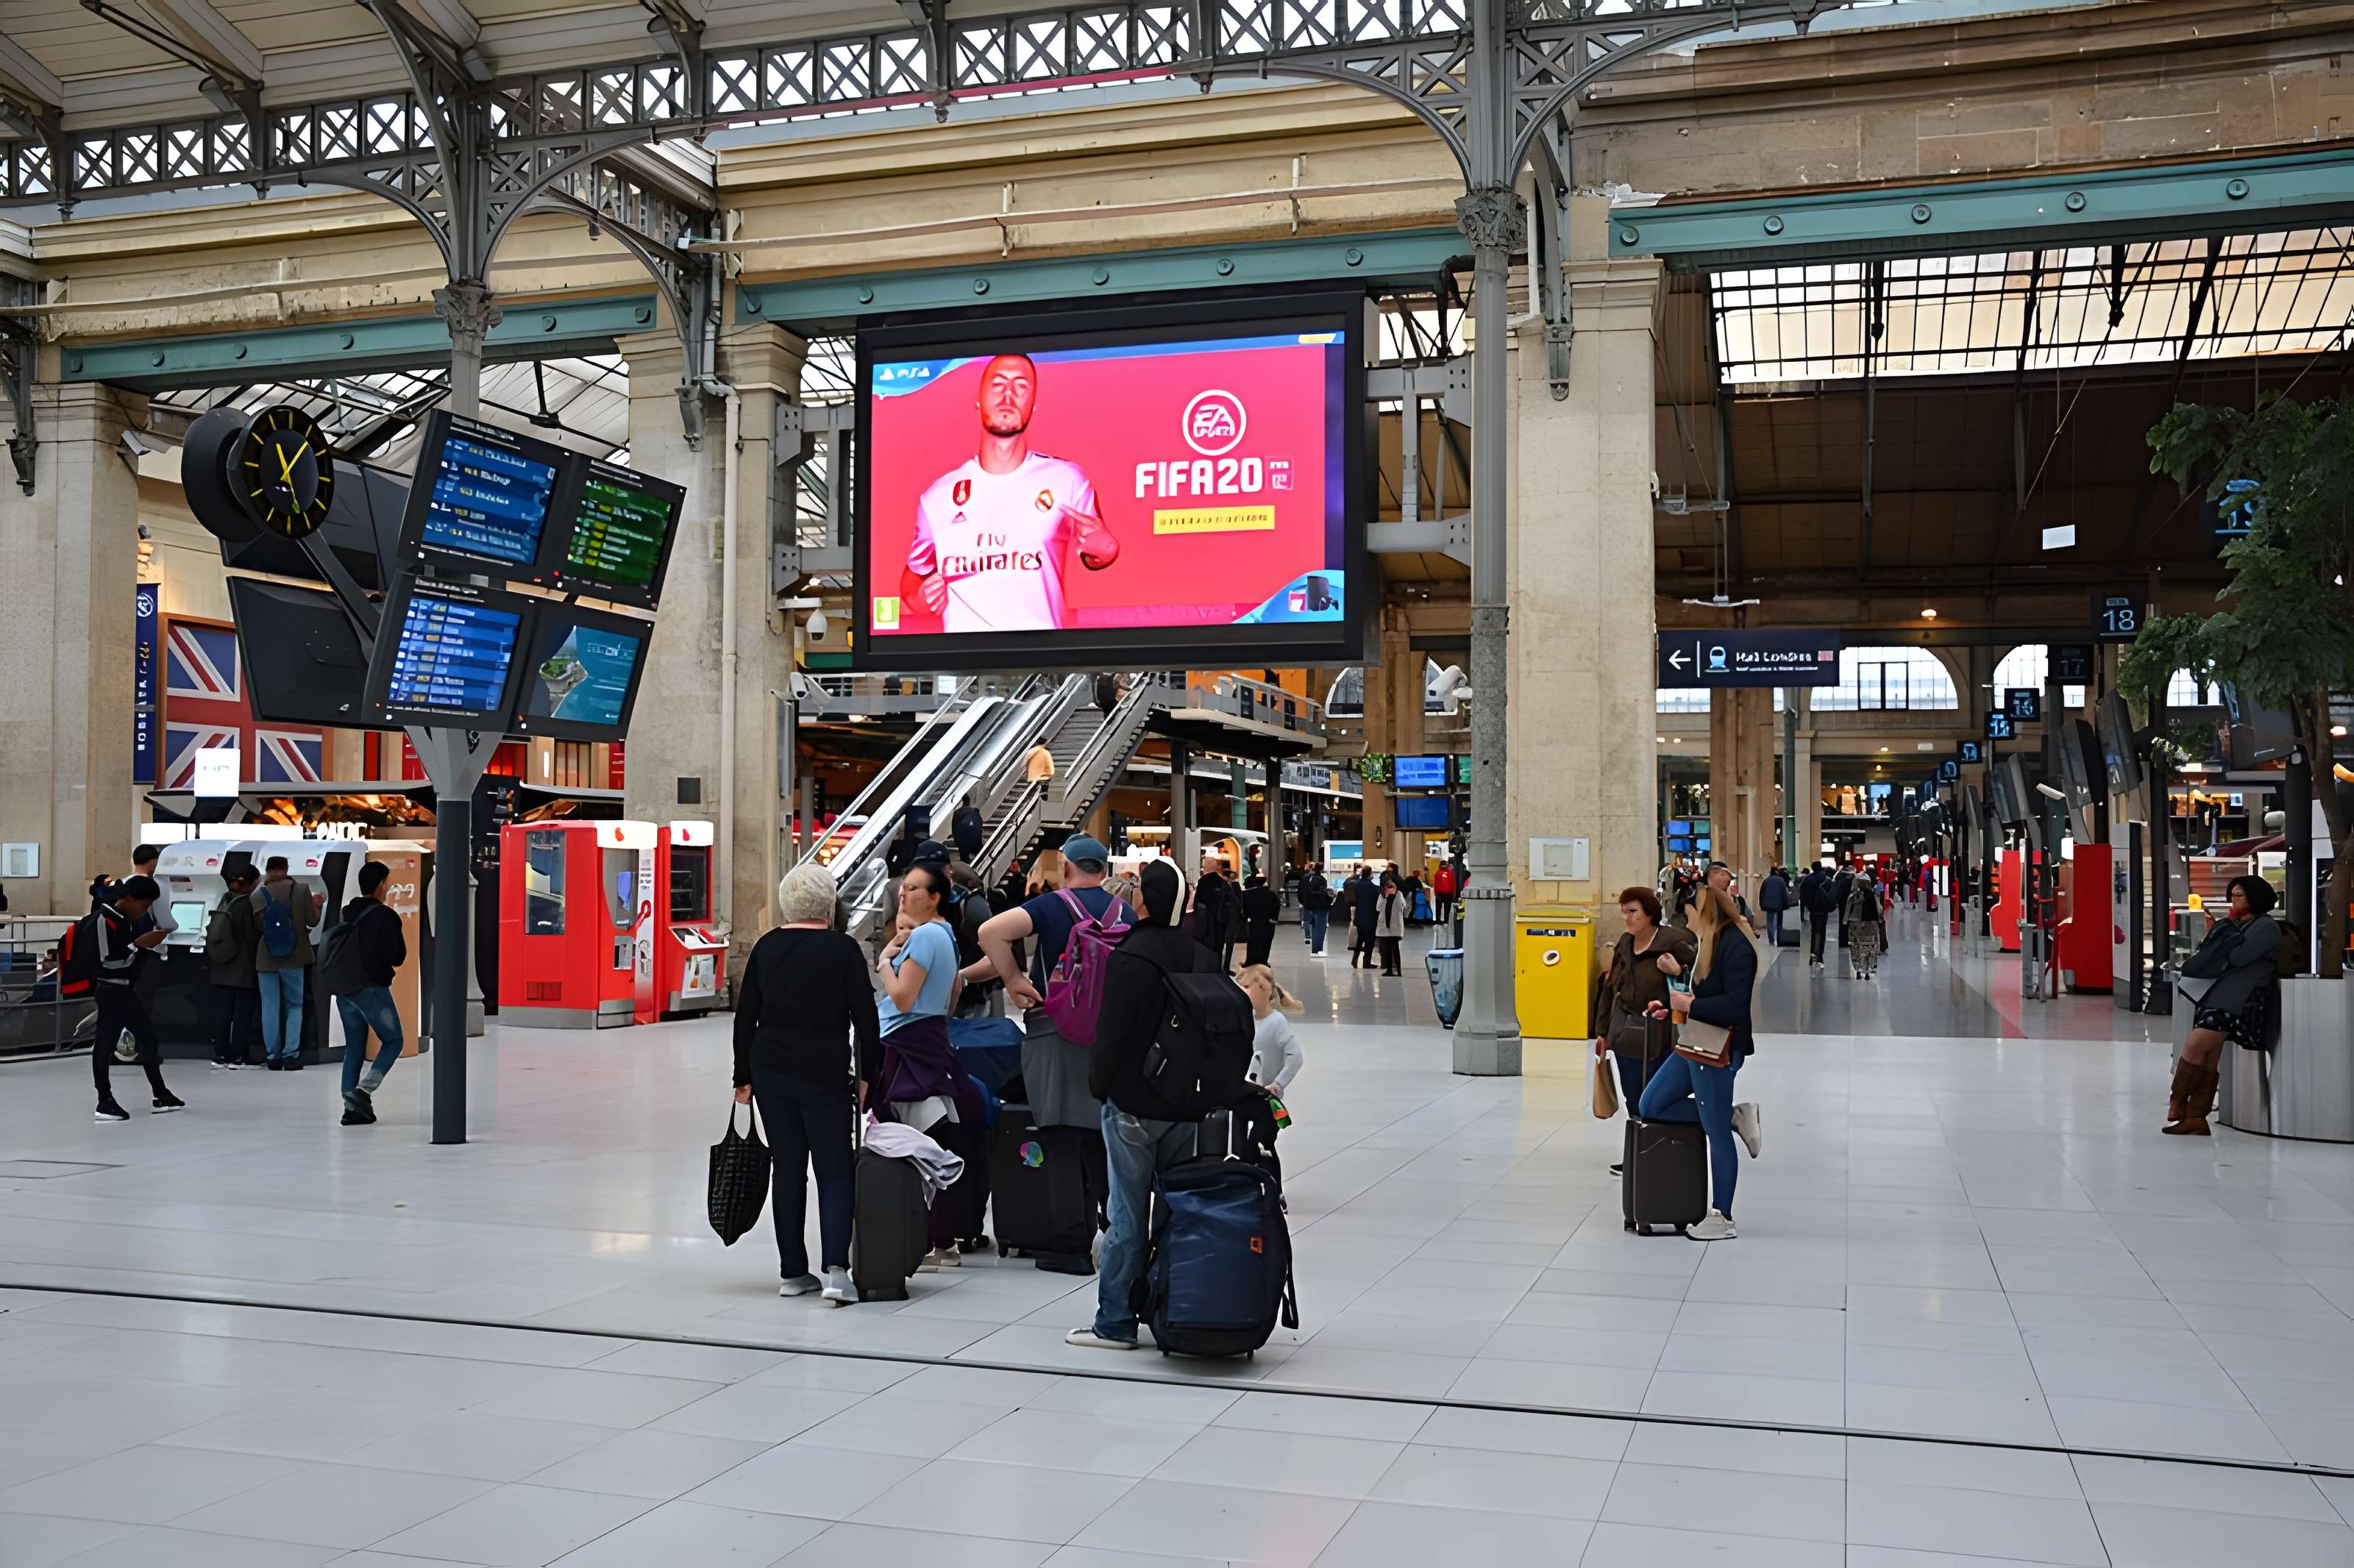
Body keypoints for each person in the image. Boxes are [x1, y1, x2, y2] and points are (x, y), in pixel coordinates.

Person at [1067, 859, 1209, 1351]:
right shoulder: (1199, 954)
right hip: (1186, 1106)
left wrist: (1100, 1085)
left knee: (1128, 1215)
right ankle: (1178, 1305)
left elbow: (1113, 1034)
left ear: (1146, 899)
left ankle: (1116, 1321)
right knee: (1177, 1209)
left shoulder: (1132, 955)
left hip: (1132, 1104)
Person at [971, 833, 1128, 1265]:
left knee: (1060, 1137)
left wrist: (1013, 980)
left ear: (1066, 866)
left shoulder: (1053, 905)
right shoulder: (1124, 911)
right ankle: (1116, 1235)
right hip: (1108, 1039)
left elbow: (991, 932)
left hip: (1054, 1030)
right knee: (1100, 1137)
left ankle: (1069, 1244)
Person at [736, 863, 879, 1303]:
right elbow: (866, 1020)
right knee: (834, 1170)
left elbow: (746, 1017)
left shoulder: (766, 948)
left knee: (789, 1168)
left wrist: (742, 1076)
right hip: (825, 1070)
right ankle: (837, 1272)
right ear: (829, 902)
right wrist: (869, 1074)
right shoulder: (844, 950)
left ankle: (792, 1272)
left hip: (771, 1070)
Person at [900, 353, 1123, 633]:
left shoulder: (1066, 479)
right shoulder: (937, 496)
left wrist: (1106, 548)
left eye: (1021, 386)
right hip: (963, 653)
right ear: (978, 403)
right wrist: (921, 600)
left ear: (1034, 405)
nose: (1008, 396)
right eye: (998, 384)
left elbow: (1099, 552)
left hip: (1046, 650)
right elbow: (912, 578)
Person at [1640, 884, 1763, 1241]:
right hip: (1696, 1041)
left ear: (1703, 912)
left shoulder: (1736, 946)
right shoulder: (1710, 945)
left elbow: (1736, 1007)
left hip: (1719, 1048)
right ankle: (1732, 1115)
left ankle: (1722, 1216)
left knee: (1716, 1135)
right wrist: (1674, 1008)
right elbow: (1706, 995)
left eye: (1688, 913)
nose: (1684, 921)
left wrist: (1689, 1006)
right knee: (1653, 1103)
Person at [873, 863, 974, 1268]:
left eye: (913, 888)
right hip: (926, 1040)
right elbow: (950, 998)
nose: (903, 894)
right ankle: (939, 1236)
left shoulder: (927, 936)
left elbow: (901, 998)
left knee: (911, 1142)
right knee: (929, 1138)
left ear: (936, 896)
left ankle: (936, 1236)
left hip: (905, 1044)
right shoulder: (945, 935)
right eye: (902, 888)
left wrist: (883, 962)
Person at [2166, 874, 2280, 1137]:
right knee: (2209, 1057)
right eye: (2232, 895)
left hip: (2236, 1000)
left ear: (2255, 898)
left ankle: (2178, 1101)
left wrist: (2225, 939)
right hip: (2216, 995)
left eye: (2239, 895)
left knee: (2195, 1045)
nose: (2233, 900)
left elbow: (2237, 957)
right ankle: (2196, 1117)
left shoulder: (2265, 927)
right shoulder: (2234, 925)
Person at [1593, 885, 1698, 1169]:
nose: (1627, 918)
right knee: (1634, 1097)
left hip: (1661, 1033)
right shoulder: (1625, 943)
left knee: (1658, 1096)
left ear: (1650, 913)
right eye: (1624, 912)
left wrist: (1677, 970)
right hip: (1627, 1031)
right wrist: (1602, 1032)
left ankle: (1664, 1152)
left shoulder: (1673, 940)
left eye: (1633, 912)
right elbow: (1611, 987)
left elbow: (1697, 977)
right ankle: (1639, 1157)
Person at [69, 875, 182, 1121]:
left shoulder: (120, 920)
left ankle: (159, 1093)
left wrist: (137, 946)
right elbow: (105, 961)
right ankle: (105, 1101)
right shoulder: (104, 919)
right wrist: (138, 946)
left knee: (142, 1038)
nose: (144, 911)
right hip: (111, 990)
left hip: (121, 990)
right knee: (108, 1042)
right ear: (129, 899)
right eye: (144, 905)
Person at [327, 863, 409, 1125]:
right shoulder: (385, 916)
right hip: (371, 989)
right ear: (381, 884)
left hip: (344, 990)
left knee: (354, 1045)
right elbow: (397, 956)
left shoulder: (348, 912)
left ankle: (351, 1107)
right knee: (394, 1040)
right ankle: (364, 1091)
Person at [205, 866, 263, 1069]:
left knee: (223, 1013)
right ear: (254, 881)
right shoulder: (246, 905)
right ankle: (240, 1055)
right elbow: (251, 936)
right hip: (242, 968)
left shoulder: (225, 900)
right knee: (242, 1014)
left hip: (221, 965)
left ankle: (221, 1055)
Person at [1237, 963, 1304, 1098]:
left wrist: (1278, 1085)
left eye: (1247, 987)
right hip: (1241, 1093)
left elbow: (1296, 1056)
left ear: (1264, 990)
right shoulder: (1243, 1020)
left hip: (1264, 1096)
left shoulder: (1277, 1022)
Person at [1190, 855, 1235, 974]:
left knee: (1206, 947)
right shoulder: (1223, 882)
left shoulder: (1203, 881)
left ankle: (1207, 970)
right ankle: (1218, 969)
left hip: (1206, 920)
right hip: (1220, 920)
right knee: (1218, 947)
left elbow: (1198, 902)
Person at [1845, 866, 1887, 980]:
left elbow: (1848, 910)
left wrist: (1845, 922)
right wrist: (1880, 921)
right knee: (1870, 948)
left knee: (1856, 948)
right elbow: (1879, 910)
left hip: (1856, 924)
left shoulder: (1854, 896)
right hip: (1871, 925)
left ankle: (1858, 970)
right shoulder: (1874, 895)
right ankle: (1868, 969)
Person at [1797, 861, 1835, 968]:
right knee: (1821, 933)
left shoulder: (1807, 880)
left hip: (1813, 911)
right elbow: (1831, 895)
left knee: (1814, 932)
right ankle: (1820, 958)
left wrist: (1808, 908)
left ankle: (1812, 954)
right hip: (1823, 911)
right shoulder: (1827, 879)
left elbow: (1803, 896)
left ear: (1813, 868)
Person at [1240, 874, 1279, 968]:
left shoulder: (1247, 894)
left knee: (1253, 941)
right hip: (1267, 922)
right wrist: (1274, 919)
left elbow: (1244, 907)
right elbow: (1277, 906)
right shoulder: (1271, 894)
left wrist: (1247, 917)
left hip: (1254, 921)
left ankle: (1250, 960)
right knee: (1266, 941)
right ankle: (1263, 960)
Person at [1373, 871, 1406, 977]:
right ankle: (1390, 970)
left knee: (1394, 949)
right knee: (1388, 949)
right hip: (1385, 927)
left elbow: (1403, 907)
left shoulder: (1399, 895)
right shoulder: (1383, 896)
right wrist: (1386, 899)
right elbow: (1378, 908)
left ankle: (1398, 970)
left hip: (1394, 926)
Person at [1295, 861, 1332, 955]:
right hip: (1319, 906)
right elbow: (1322, 893)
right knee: (1319, 928)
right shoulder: (1320, 880)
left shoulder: (1306, 879)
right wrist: (1329, 899)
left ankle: (1309, 939)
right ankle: (1317, 948)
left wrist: (1304, 902)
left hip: (1308, 905)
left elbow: (1301, 892)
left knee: (1310, 923)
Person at [1351, 864, 1381, 969]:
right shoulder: (1374, 889)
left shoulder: (1357, 886)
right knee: (1369, 941)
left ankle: (1355, 960)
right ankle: (1366, 962)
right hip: (1370, 918)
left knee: (1360, 940)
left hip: (1360, 917)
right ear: (1370, 874)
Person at [1758, 866, 1791, 949]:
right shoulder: (1781, 880)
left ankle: (1771, 940)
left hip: (1768, 904)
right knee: (1778, 921)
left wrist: (1762, 904)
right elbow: (1784, 893)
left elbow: (1762, 893)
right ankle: (1779, 938)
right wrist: (1786, 904)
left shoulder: (1767, 880)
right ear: (1777, 872)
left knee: (1769, 921)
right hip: (1778, 904)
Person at [950, 794, 985, 863]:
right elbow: (980, 824)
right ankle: (980, 862)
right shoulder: (975, 811)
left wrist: (957, 841)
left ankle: (965, 864)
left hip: (962, 839)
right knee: (979, 854)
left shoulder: (957, 814)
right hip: (975, 838)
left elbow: (954, 830)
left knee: (964, 856)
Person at [1432, 858, 1458, 925]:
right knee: (1447, 909)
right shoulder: (1451, 873)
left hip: (1440, 893)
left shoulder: (1438, 873)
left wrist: (1436, 894)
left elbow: (1436, 884)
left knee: (1438, 908)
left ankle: (1438, 922)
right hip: (1448, 894)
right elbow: (1453, 884)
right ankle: (1446, 921)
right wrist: (1454, 894)